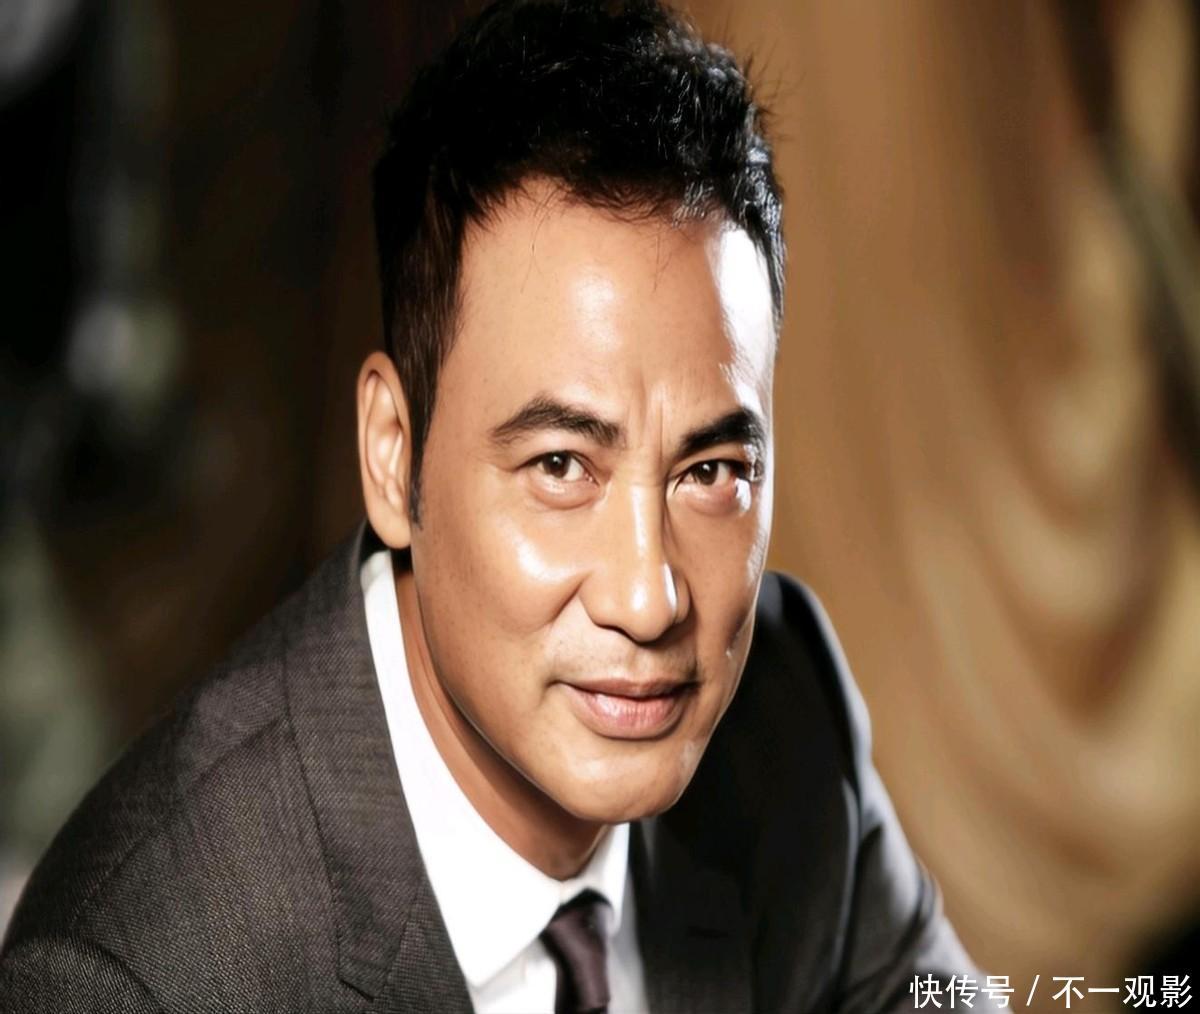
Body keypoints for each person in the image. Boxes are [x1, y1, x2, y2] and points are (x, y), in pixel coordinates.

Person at [0, 1, 988, 1010]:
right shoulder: (135, 976)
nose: (649, 600)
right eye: (562, 466)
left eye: (710, 472)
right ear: (393, 458)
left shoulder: (786, 711)